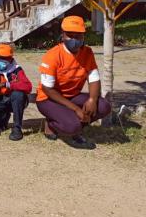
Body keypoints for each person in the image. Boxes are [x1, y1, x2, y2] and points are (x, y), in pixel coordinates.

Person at [36, 16, 111, 149]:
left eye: (78, 36)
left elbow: (93, 77)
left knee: (103, 106)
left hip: (72, 95)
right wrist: (76, 109)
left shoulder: (87, 52)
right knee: (72, 125)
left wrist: (92, 99)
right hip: (48, 99)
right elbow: (48, 89)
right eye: (70, 35)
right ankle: (52, 124)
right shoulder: (52, 55)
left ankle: (74, 124)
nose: (74, 39)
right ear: (62, 35)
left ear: (83, 36)